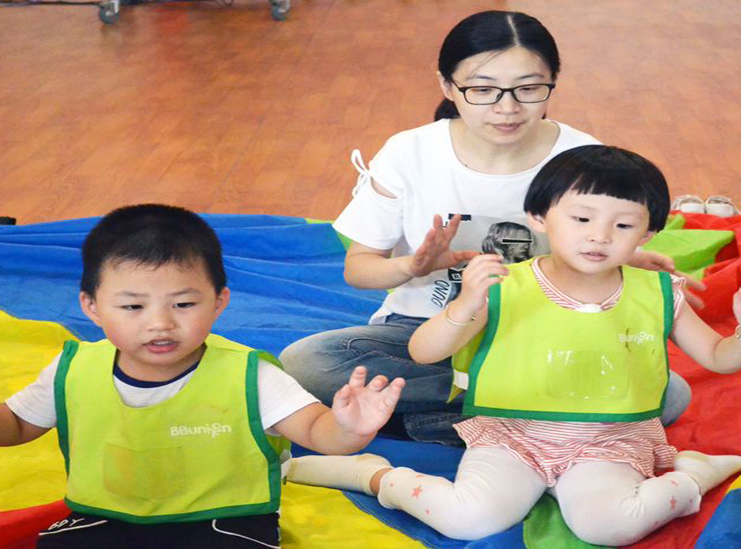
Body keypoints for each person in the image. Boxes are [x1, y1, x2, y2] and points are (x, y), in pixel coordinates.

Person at [286, 145, 741, 545]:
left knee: (608, 528)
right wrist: (465, 305)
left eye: (622, 225)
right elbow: (424, 353)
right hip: (511, 435)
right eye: (582, 219)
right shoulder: (503, 284)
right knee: (467, 520)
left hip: (608, 440)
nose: (599, 236)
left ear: (650, 232)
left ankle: (693, 474)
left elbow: (719, 359)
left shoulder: (658, 291)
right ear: (539, 218)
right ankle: (374, 476)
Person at [280, 10, 695, 446]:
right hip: (426, 332)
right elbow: (359, 268)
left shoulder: (580, 156)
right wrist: (413, 266)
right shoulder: (410, 152)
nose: (507, 108)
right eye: (482, 90)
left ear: (553, 81)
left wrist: (624, 259)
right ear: (447, 86)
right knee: (308, 362)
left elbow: (592, 245)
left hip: (542, 334)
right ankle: (531, 418)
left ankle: (433, 422)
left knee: (669, 395)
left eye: (528, 89)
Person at [0, 204, 405, 549]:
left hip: (225, 524)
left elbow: (316, 430)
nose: (160, 323)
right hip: (106, 518)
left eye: (183, 304)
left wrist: (349, 429)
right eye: (133, 306)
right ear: (92, 307)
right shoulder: (74, 368)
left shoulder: (248, 375)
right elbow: (15, 426)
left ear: (220, 301)